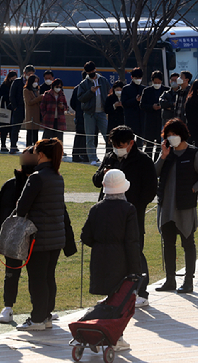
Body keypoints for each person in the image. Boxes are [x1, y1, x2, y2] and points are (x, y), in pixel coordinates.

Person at [93, 125, 157, 306]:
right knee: (112, 256)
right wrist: (102, 174)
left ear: (131, 143)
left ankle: (141, 292)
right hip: (108, 215)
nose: (117, 148)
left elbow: (150, 189)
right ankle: (113, 293)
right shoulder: (110, 158)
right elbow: (96, 181)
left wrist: (134, 207)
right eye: (114, 145)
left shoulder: (143, 160)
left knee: (135, 253)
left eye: (121, 145)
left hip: (132, 215)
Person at [81, 169, 141, 351]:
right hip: (121, 259)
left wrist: (101, 245)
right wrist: (135, 269)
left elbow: (86, 236)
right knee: (118, 302)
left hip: (99, 257)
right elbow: (132, 241)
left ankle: (98, 331)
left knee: (107, 299)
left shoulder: (96, 208)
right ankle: (114, 336)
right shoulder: (128, 209)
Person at [15, 138, 66, 331]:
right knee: (48, 277)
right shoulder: (56, 176)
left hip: (39, 237)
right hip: (55, 236)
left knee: (37, 279)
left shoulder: (37, 177)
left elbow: (22, 207)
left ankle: (37, 318)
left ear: (42, 154)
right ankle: (45, 316)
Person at [156, 119, 198, 293]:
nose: (172, 138)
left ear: (182, 135)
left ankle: (188, 281)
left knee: (188, 243)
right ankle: (170, 280)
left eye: (174, 134)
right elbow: (154, 173)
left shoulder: (194, 153)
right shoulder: (167, 153)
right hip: (166, 207)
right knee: (168, 244)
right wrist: (163, 156)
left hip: (185, 206)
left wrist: (194, 188)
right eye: (168, 135)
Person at [0, 147, 38, 323]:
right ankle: (8, 307)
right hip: (13, 237)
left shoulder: (43, 183)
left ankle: (41, 310)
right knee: (11, 273)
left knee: (38, 275)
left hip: (36, 236)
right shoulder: (10, 185)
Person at [77, 61, 111, 165]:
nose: (91, 73)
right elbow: (80, 98)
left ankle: (110, 157)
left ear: (95, 69)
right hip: (89, 113)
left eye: (92, 71)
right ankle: (92, 158)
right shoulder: (84, 84)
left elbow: (109, 91)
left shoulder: (103, 80)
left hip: (102, 113)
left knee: (108, 135)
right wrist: (90, 91)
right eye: (89, 72)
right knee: (90, 137)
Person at [141, 70, 168, 161]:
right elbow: (142, 105)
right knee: (149, 144)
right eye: (155, 82)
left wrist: (163, 106)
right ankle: (147, 162)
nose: (157, 84)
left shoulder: (166, 90)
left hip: (162, 120)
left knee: (161, 144)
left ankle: (157, 162)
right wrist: (151, 107)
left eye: (159, 82)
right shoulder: (147, 91)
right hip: (150, 120)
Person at [10, 65, 36, 154]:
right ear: (24, 73)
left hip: (30, 108)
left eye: (32, 74)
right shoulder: (17, 82)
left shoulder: (33, 82)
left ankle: (29, 148)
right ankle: (13, 146)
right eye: (29, 74)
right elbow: (12, 95)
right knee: (15, 128)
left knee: (30, 128)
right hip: (19, 107)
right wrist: (15, 107)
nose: (31, 75)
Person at [121, 67, 146, 144]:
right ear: (132, 77)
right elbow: (124, 103)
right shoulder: (126, 89)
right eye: (136, 77)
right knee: (129, 140)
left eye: (139, 77)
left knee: (140, 142)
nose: (138, 79)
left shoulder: (144, 89)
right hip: (130, 118)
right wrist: (135, 100)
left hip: (142, 118)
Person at [70, 71, 90, 162]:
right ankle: (80, 155)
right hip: (83, 115)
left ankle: (80, 155)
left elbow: (72, 104)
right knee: (81, 135)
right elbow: (73, 103)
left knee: (83, 136)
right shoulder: (83, 89)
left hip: (82, 115)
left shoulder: (76, 88)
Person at [40, 78, 67, 143]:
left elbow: (66, 107)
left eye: (60, 87)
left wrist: (62, 107)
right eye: (57, 86)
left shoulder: (62, 95)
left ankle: (59, 152)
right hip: (49, 119)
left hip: (59, 119)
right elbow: (42, 106)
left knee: (58, 138)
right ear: (53, 86)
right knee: (46, 137)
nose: (58, 88)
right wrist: (44, 114)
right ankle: (43, 151)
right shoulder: (47, 94)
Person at [0, 71, 18, 151]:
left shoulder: (17, 85)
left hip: (14, 109)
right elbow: (0, 96)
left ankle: (13, 145)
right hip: (5, 109)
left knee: (13, 129)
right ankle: (3, 145)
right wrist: (10, 97)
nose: (13, 79)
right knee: (4, 129)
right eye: (12, 77)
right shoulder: (4, 85)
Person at [23, 74, 44, 145]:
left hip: (37, 115)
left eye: (37, 82)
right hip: (30, 114)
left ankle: (35, 150)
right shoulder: (26, 90)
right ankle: (28, 149)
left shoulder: (37, 90)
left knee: (35, 134)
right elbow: (29, 102)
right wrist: (39, 98)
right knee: (30, 133)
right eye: (35, 81)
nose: (36, 83)